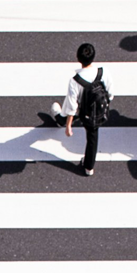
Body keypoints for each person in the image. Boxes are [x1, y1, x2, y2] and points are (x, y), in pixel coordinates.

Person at [49, 43, 113, 176]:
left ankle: (61, 119)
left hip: (84, 112)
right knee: (92, 138)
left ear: (78, 58)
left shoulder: (75, 81)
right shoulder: (103, 72)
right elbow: (110, 93)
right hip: (99, 111)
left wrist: (68, 126)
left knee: (72, 101)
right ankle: (89, 167)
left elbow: (72, 105)